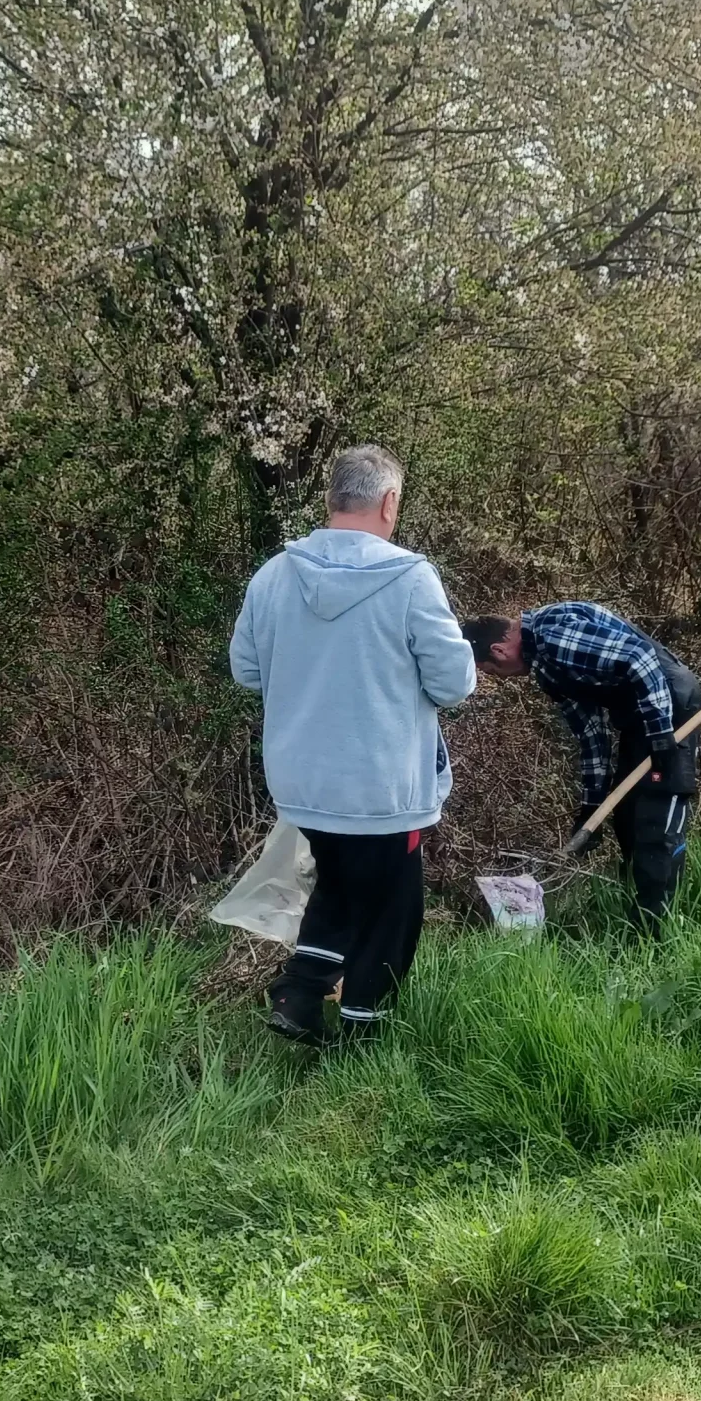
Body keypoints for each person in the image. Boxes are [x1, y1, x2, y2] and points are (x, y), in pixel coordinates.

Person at [229, 445, 475, 1043]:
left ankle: (300, 992)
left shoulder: (273, 574)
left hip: (303, 783)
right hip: (383, 788)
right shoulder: (411, 577)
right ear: (389, 502)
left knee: (339, 880)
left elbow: (245, 670)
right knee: (395, 906)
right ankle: (366, 1030)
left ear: (332, 498)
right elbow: (453, 682)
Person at [461, 603, 701, 930]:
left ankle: (657, 932)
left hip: (670, 705)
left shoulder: (554, 634)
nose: (499, 678)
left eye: (490, 671)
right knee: (627, 816)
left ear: (499, 650)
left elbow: (640, 659)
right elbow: (591, 735)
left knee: (655, 817)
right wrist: (591, 806)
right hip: (638, 721)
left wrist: (661, 733)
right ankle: (639, 920)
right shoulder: (547, 670)